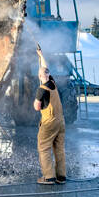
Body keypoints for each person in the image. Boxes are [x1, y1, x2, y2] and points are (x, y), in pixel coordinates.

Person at [34, 45, 66, 185]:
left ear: (40, 77)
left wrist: (37, 102)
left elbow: (37, 107)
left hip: (49, 122)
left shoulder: (41, 90)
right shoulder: (52, 82)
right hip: (61, 122)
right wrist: (41, 55)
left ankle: (48, 177)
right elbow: (45, 67)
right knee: (59, 149)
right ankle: (61, 177)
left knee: (44, 147)